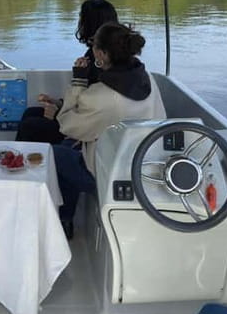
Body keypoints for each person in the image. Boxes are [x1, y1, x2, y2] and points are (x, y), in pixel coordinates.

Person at [53, 22, 166, 238]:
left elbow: (66, 124)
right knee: (71, 147)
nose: (92, 48)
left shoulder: (101, 95)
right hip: (146, 165)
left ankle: (64, 220)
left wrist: (78, 81)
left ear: (102, 54)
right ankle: (65, 219)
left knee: (56, 154)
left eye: (95, 45)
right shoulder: (147, 79)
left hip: (111, 175)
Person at [15, 0, 118, 143]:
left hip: (89, 131)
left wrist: (59, 113)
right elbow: (86, 100)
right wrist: (57, 103)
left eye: (81, 18)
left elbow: (93, 108)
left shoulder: (99, 61)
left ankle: (22, 162)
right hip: (87, 118)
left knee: (29, 126)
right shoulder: (110, 56)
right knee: (30, 113)